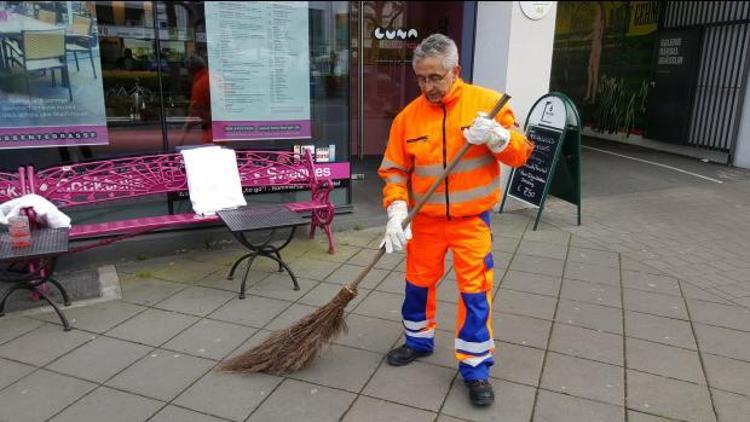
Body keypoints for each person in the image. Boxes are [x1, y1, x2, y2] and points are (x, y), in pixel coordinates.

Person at [378, 34, 533, 407]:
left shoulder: (486, 105)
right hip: (426, 220)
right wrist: (397, 209)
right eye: (421, 78)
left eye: (435, 77)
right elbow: (395, 170)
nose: (427, 86)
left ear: (455, 71)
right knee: (417, 283)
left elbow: (521, 153)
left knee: (475, 292)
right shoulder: (407, 118)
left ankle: (475, 368)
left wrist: (498, 137)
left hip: (471, 221)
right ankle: (418, 340)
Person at [180, 54, 212, 145]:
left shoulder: (199, 85)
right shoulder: (212, 78)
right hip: (222, 127)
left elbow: (195, 111)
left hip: (211, 128)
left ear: (191, 70)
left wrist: (186, 127)